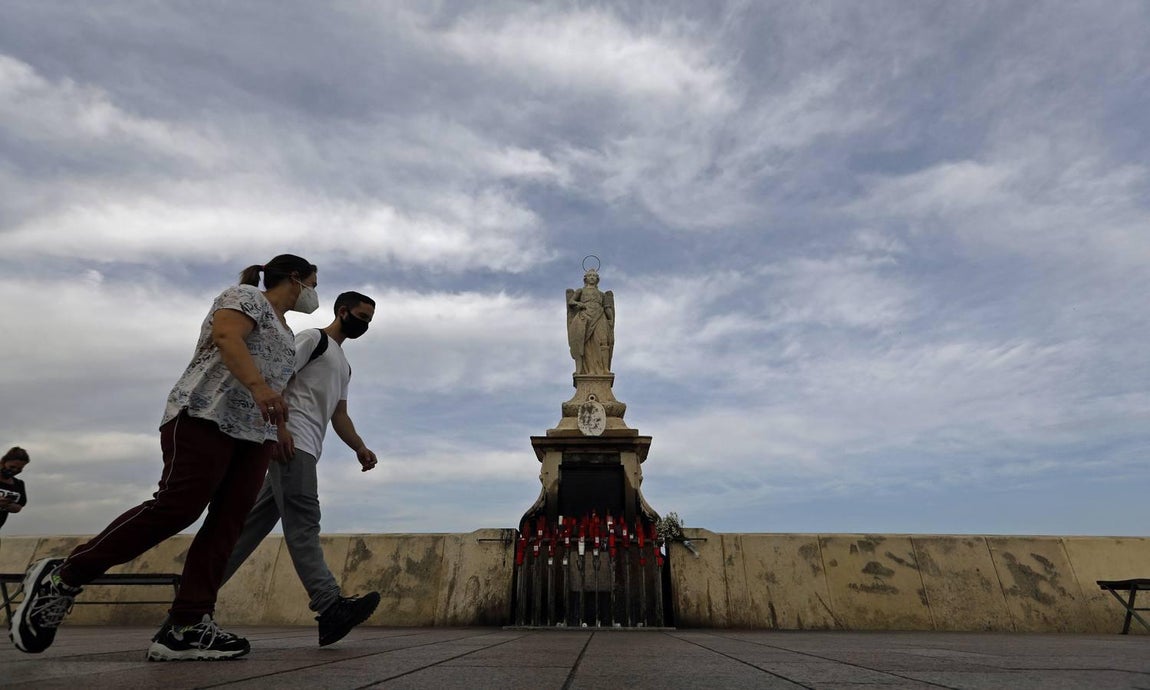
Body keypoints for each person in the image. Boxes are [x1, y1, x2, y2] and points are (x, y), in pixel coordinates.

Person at [10, 254, 318, 661]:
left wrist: (280, 429)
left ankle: (186, 625)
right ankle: (64, 577)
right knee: (178, 507)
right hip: (205, 416)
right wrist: (258, 387)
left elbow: (279, 388)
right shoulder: (246, 297)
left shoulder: (287, 332)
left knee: (227, 525)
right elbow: (227, 336)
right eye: (313, 284)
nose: (314, 294)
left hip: (255, 436)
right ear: (295, 278)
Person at [222, 291, 381, 647]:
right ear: (343, 311)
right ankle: (329, 604)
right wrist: (278, 429)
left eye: (370, 321)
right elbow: (278, 379)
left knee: (247, 530)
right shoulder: (313, 339)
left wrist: (359, 447)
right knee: (304, 519)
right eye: (361, 317)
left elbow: (339, 414)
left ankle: (192, 599)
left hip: (306, 446)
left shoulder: (344, 364)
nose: (365, 325)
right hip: (293, 442)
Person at [566, 269, 615, 375]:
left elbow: (607, 307)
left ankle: (605, 369)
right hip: (585, 317)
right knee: (587, 343)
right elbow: (571, 301)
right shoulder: (580, 291)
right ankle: (590, 370)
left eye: (594, 276)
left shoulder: (602, 294)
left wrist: (610, 319)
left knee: (603, 341)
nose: (592, 277)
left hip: (600, 316)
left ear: (597, 279)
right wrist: (579, 304)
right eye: (590, 275)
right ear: (586, 278)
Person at [0, 447, 30, 532]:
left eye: (19, 468)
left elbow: (19, 506)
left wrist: (8, 505)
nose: (15, 470)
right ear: (3, 462)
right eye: (12, 467)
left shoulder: (19, 484)